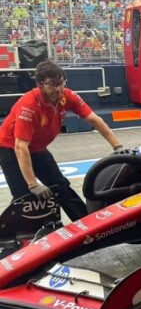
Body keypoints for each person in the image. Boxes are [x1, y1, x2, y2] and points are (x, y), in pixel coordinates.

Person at [0, 60, 124, 220]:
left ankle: (87, 225)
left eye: (61, 83)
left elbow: (94, 120)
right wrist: (33, 184)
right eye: (52, 84)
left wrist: (118, 146)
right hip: (10, 148)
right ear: (40, 84)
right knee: (24, 196)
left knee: (60, 186)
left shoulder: (68, 96)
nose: (58, 89)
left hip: (37, 148)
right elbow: (20, 147)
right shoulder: (29, 104)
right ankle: (29, 238)